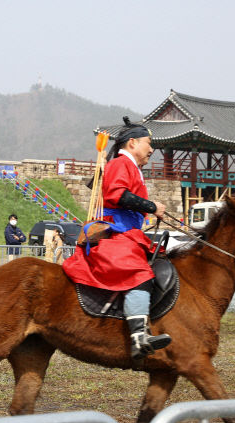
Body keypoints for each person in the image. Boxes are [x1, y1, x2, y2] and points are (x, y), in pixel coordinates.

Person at [62, 116, 171, 360]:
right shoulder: (121, 165)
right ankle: (139, 337)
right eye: (148, 143)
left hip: (127, 231)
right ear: (132, 143)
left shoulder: (130, 167)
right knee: (139, 273)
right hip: (115, 234)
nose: (151, 149)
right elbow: (117, 195)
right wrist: (151, 205)